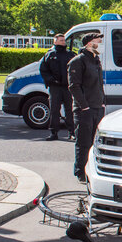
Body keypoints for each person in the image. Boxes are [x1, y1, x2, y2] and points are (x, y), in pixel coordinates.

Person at [68, 32, 106, 183]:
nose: (101, 45)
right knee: (83, 143)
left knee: (94, 142)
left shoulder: (96, 60)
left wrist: (102, 102)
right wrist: (84, 107)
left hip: (97, 107)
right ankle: (80, 171)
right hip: (85, 110)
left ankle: (91, 170)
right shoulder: (78, 61)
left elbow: (99, 84)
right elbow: (74, 86)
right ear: (89, 44)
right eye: (98, 42)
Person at [39, 33, 75, 141]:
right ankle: (53, 133)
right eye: (61, 40)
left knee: (69, 110)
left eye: (64, 40)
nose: (63, 42)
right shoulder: (49, 55)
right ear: (55, 42)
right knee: (54, 110)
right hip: (55, 87)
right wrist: (51, 81)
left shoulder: (70, 55)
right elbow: (43, 70)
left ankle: (72, 133)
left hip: (67, 87)